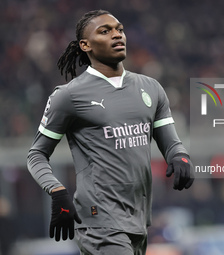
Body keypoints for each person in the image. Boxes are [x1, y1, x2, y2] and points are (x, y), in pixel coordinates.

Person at [27, 9, 194, 255]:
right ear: (85, 45)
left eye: (119, 29)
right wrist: (56, 191)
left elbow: (171, 143)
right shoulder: (68, 96)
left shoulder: (151, 88)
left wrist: (180, 156)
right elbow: (36, 154)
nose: (117, 35)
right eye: (105, 31)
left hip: (138, 219)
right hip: (99, 222)